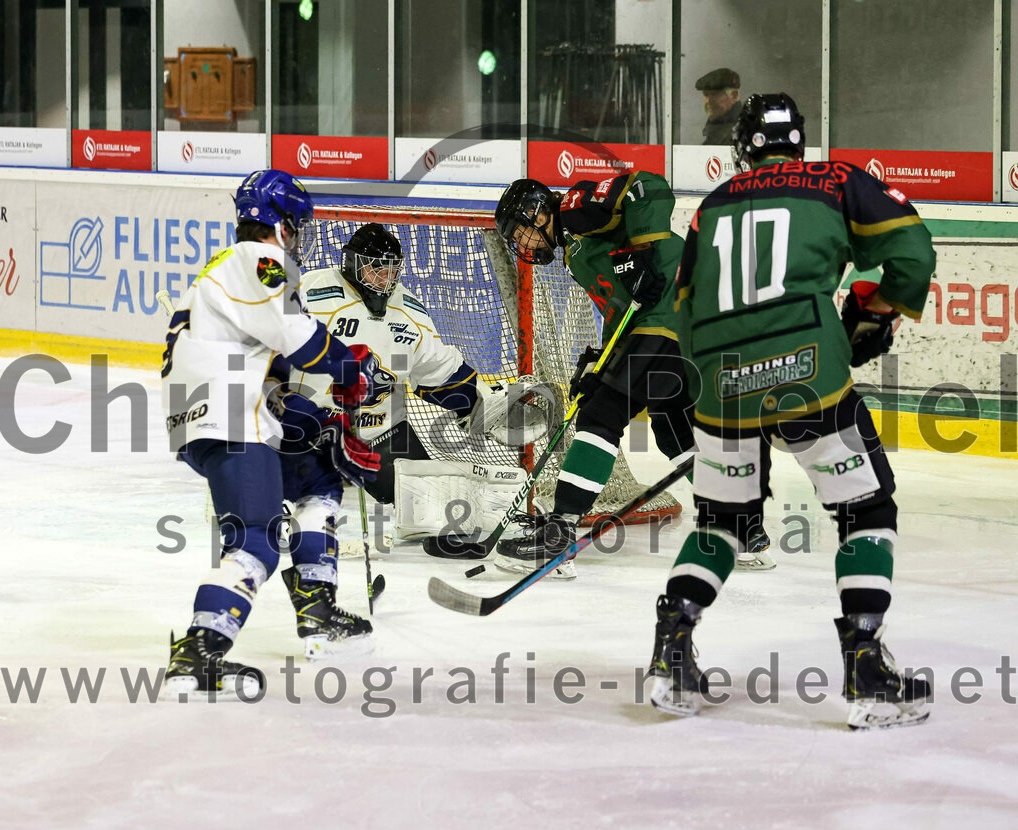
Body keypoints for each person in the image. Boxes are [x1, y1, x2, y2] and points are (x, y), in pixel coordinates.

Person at [646, 93, 936, 729]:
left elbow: (686, 308)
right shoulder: (837, 180)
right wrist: (878, 312)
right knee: (867, 509)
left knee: (720, 525)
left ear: (743, 147)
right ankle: (865, 668)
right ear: (798, 141)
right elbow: (915, 254)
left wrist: (714, 393)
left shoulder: (713, 206)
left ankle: (672, 649)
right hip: (807, 377)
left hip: (720, 384)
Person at [161, 169, 381, 698]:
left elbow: (271, 354)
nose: (299, 236)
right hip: (229, 418)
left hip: (218, 415)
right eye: (296, 226)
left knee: (319, 476)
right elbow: (301, 341)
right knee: (255, 542)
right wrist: (353, 370)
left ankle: (318, 611)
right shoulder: (256, 261)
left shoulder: (227, 275)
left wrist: (295, 402)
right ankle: (197, 654)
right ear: (278, 225)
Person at [493, 172, 773, 581]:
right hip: (687, 319)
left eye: (521, 232)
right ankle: (740, 526)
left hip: (671, 309)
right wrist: (598, 361)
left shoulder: (572, 208)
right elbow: (621, 305)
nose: (522, 244)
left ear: (537, 212)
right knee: (673, 424)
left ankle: (560, 531)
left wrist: (644, 247)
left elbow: (648, 186)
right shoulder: (574, 251)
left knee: (600, 414)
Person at [290, 223, 548, 537]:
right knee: (281, 510)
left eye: (392, 271)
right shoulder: (312, 293)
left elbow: (437, 370)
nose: (386, 281)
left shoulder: (406, 309)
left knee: (429, 507)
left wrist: (478, 401)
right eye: (376, 271)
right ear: (353, 265)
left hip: (375, 428)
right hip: (305, 425)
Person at [695, 67, 742, 145]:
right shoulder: (715, 129)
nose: (708, 101)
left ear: (734, 96)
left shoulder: (742, 131)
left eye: (714, 95)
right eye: (705, 95)